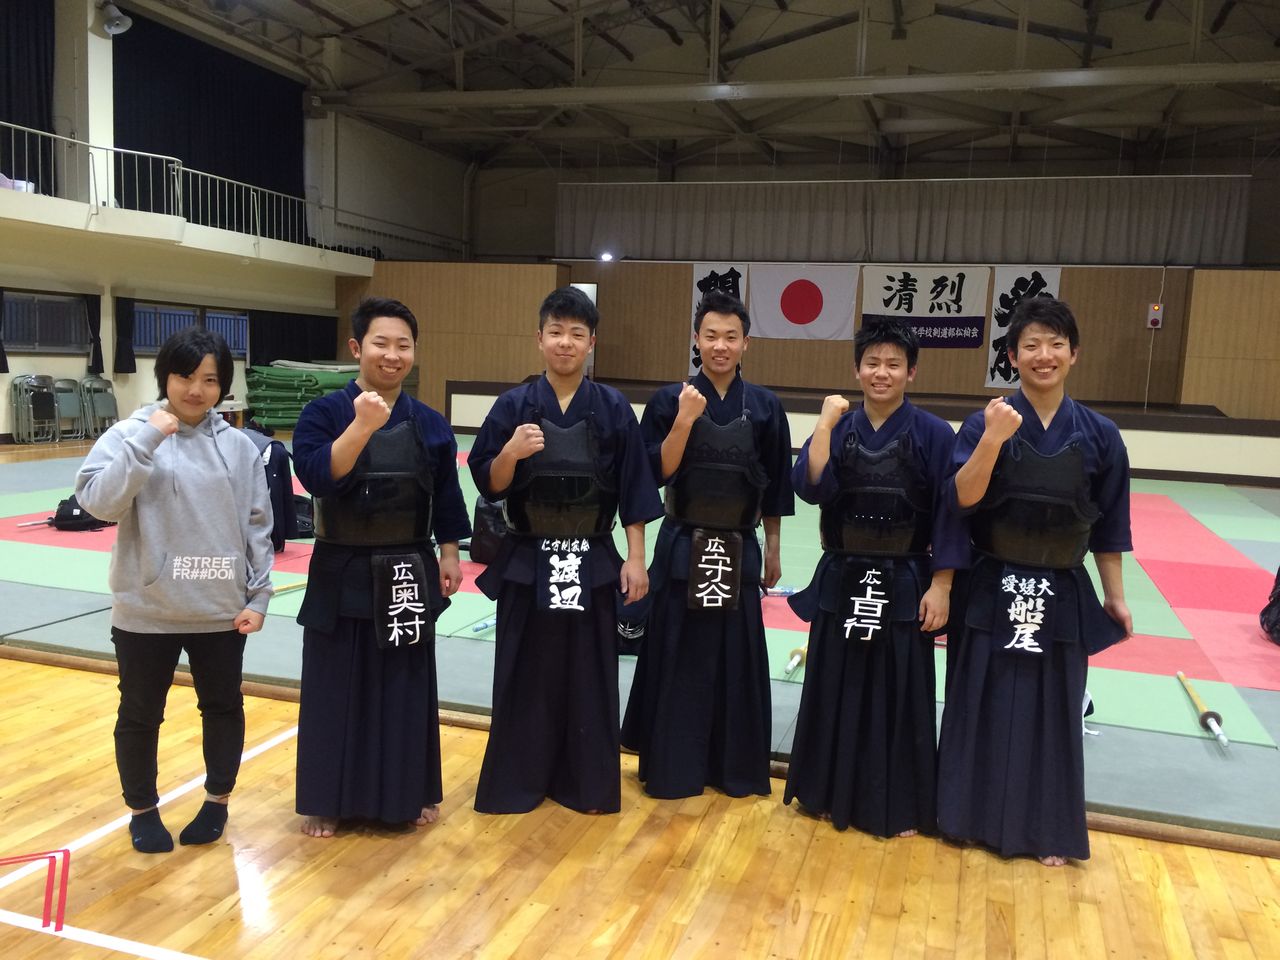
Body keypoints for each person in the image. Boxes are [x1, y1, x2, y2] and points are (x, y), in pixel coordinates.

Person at [936, 296, 1133, 866]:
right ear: (1011, 356)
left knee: (1053, 712)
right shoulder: (984, 422)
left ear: (1073, 353)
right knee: (978, 702)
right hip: (991, 585)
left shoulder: (1101, 435)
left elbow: (1111, 525)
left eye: (1054, 344)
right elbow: (961, 499)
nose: (1043, 356)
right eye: (1030, 345)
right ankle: (965, 817)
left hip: (1062, 587)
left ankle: (1046, 830)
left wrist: (1115, 597)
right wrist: (995, 438)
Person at [75, 326, 274, 853]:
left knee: (223, 708)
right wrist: (148, 439)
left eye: (209, 380)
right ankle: (142, 811)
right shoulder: (128, 434)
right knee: (139, 714)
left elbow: (258, 526)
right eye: (185, 376)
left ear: (223, 387)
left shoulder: (239, 447)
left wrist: (259, 598)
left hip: (219, 609)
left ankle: (217, 803)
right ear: (165, 377)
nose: (195, 389)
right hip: (146, 610)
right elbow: (97, 503)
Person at [469, 286, 662, 815]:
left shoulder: (613, 407)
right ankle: (517, 781)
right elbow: (490, 482)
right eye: (556, 332)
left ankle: (586, 784)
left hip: (593, 556)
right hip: (529, 557)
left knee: (589, 672)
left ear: (591, 342)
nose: (565, 343)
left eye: (577, 334)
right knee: (524, 670)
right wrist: (510, 451)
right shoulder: (513, 406)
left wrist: (637, 557)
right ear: (539, 338)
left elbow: (634, 486)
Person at [292, 297, 469, 838]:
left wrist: (449, 552)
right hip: (341, 563)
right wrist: (362, 426)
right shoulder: (323, 413)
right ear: (356, 348)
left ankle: (408, 792)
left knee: (405, 685)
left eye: (403, 345)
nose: (392, 356)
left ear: (414, 352)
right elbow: (320, 477)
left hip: (408, 564)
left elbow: (444, 492)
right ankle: (328, 798)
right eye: (380, 343)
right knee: (333, 685)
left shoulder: (431, 423)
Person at [782, 318, 964, 836]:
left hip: (907, 576)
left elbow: (951, 515)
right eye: (872, 363)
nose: (881, 373)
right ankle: (822, 792)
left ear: (911, 371)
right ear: (857, 369)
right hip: (843, 574)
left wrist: (943, 584)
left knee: (898, 692)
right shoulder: (837, 425)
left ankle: (898, 804)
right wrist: (823, 423)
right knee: (834, 685)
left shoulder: (932, 432)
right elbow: (810, 487)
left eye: (893, 364)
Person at [620, 291, 794, 799]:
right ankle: (673, 767)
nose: (720, 346)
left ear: (746, 343)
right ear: (696, 340)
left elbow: (776, 485)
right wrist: (683, 420)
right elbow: (652, 474)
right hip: (681, 544)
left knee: (734, 658)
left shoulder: (764, 406)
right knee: (679, 655)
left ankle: (733, 768)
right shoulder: (666, 400)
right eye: (711, 336)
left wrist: (776, 548)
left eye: (731, 337)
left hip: (739, 546)